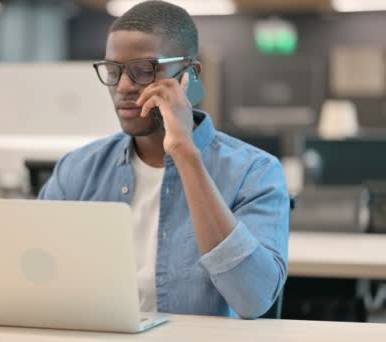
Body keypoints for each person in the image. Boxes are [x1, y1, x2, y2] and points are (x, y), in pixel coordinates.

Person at [39, 0, 289, 319]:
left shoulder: (255, 172)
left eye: (144, 71)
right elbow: (39, 278)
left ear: (190, 75)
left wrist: (185, 152)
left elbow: (253, 299)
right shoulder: (78, 169)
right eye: (113, 71)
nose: (124, 86)